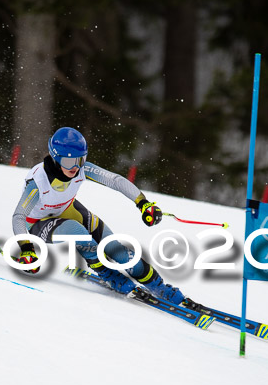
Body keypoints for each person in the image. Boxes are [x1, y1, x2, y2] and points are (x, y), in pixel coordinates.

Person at [11, 126, 187, 305]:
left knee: (117, 251)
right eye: (68, 162)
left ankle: (159, 286)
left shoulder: (81, 169)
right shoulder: (38, 181)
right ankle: (108, 273)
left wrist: (143, 203)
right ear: (56, 159)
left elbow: (115, 180)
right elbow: (18, 217)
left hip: (67, 210)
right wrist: (27, 249)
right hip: (38, 223)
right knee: (77, 232)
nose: (75, 168)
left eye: (80, 160)